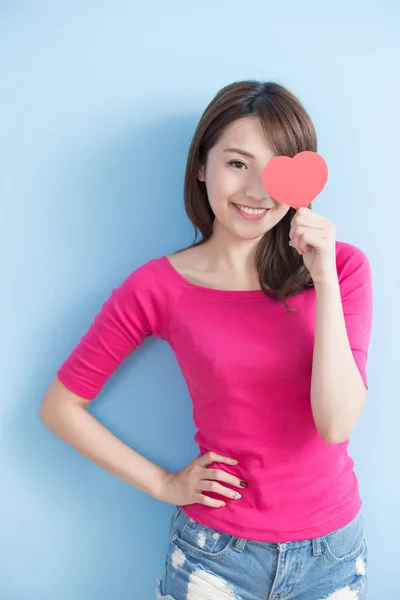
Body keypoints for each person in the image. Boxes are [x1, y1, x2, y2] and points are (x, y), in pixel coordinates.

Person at [40, 80, 373, 600]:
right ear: (202, 165)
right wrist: (163, 484)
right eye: (238, 163)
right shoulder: (158, 286)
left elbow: (335, 424)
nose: (257, 191)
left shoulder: (342, 268)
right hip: (215, 556)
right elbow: (60, 407)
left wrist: (324, 280)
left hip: (331, 555)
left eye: (277, 168)